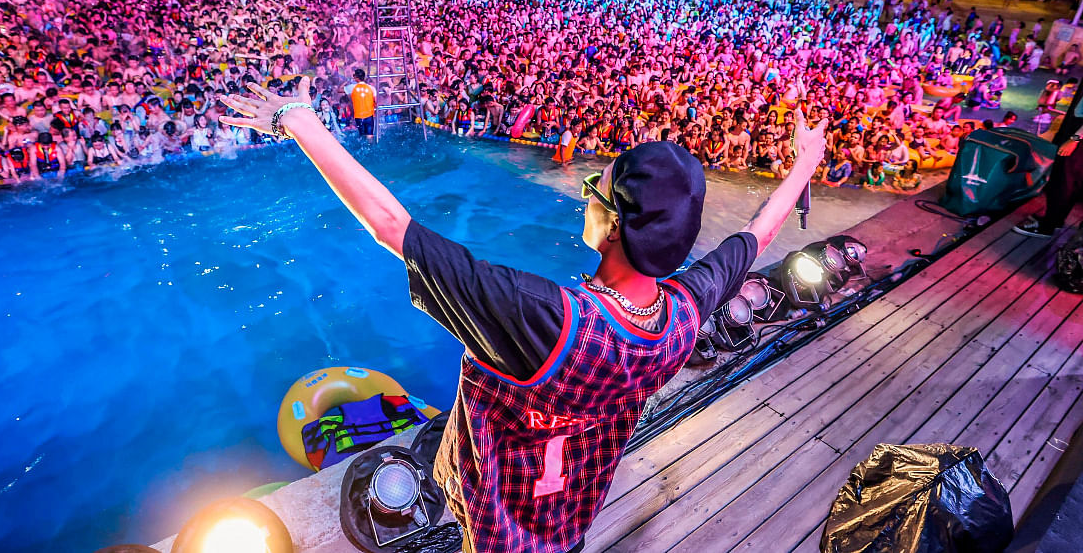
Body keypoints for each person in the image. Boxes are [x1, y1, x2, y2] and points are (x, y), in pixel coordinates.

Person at [219, 78, 828, 553]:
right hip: (571, 518)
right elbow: (753, 239)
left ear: (613, 225)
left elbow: (391, 226)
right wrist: (803, 168)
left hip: (498, 528)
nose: (586, 190)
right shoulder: (681, 318)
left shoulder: (540, 317)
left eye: (597, 184)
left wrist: (299, 123)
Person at [1014, 128, 1083, 238]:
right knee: (1071, 183)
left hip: (1079, 139)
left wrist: (1075, 139)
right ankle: (1056, 220)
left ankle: (1046, 226)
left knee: (1063, 182)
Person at [347, 68, 376, 139]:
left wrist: (348, 81)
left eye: (354, 76)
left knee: (362, 137)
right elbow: (376, 102)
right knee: (370, 136)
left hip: (359, 116)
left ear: (356, 78)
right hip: (369, 116)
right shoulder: (371, 88)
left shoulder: (351, 87)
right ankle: (371, 149)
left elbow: (339, 90)